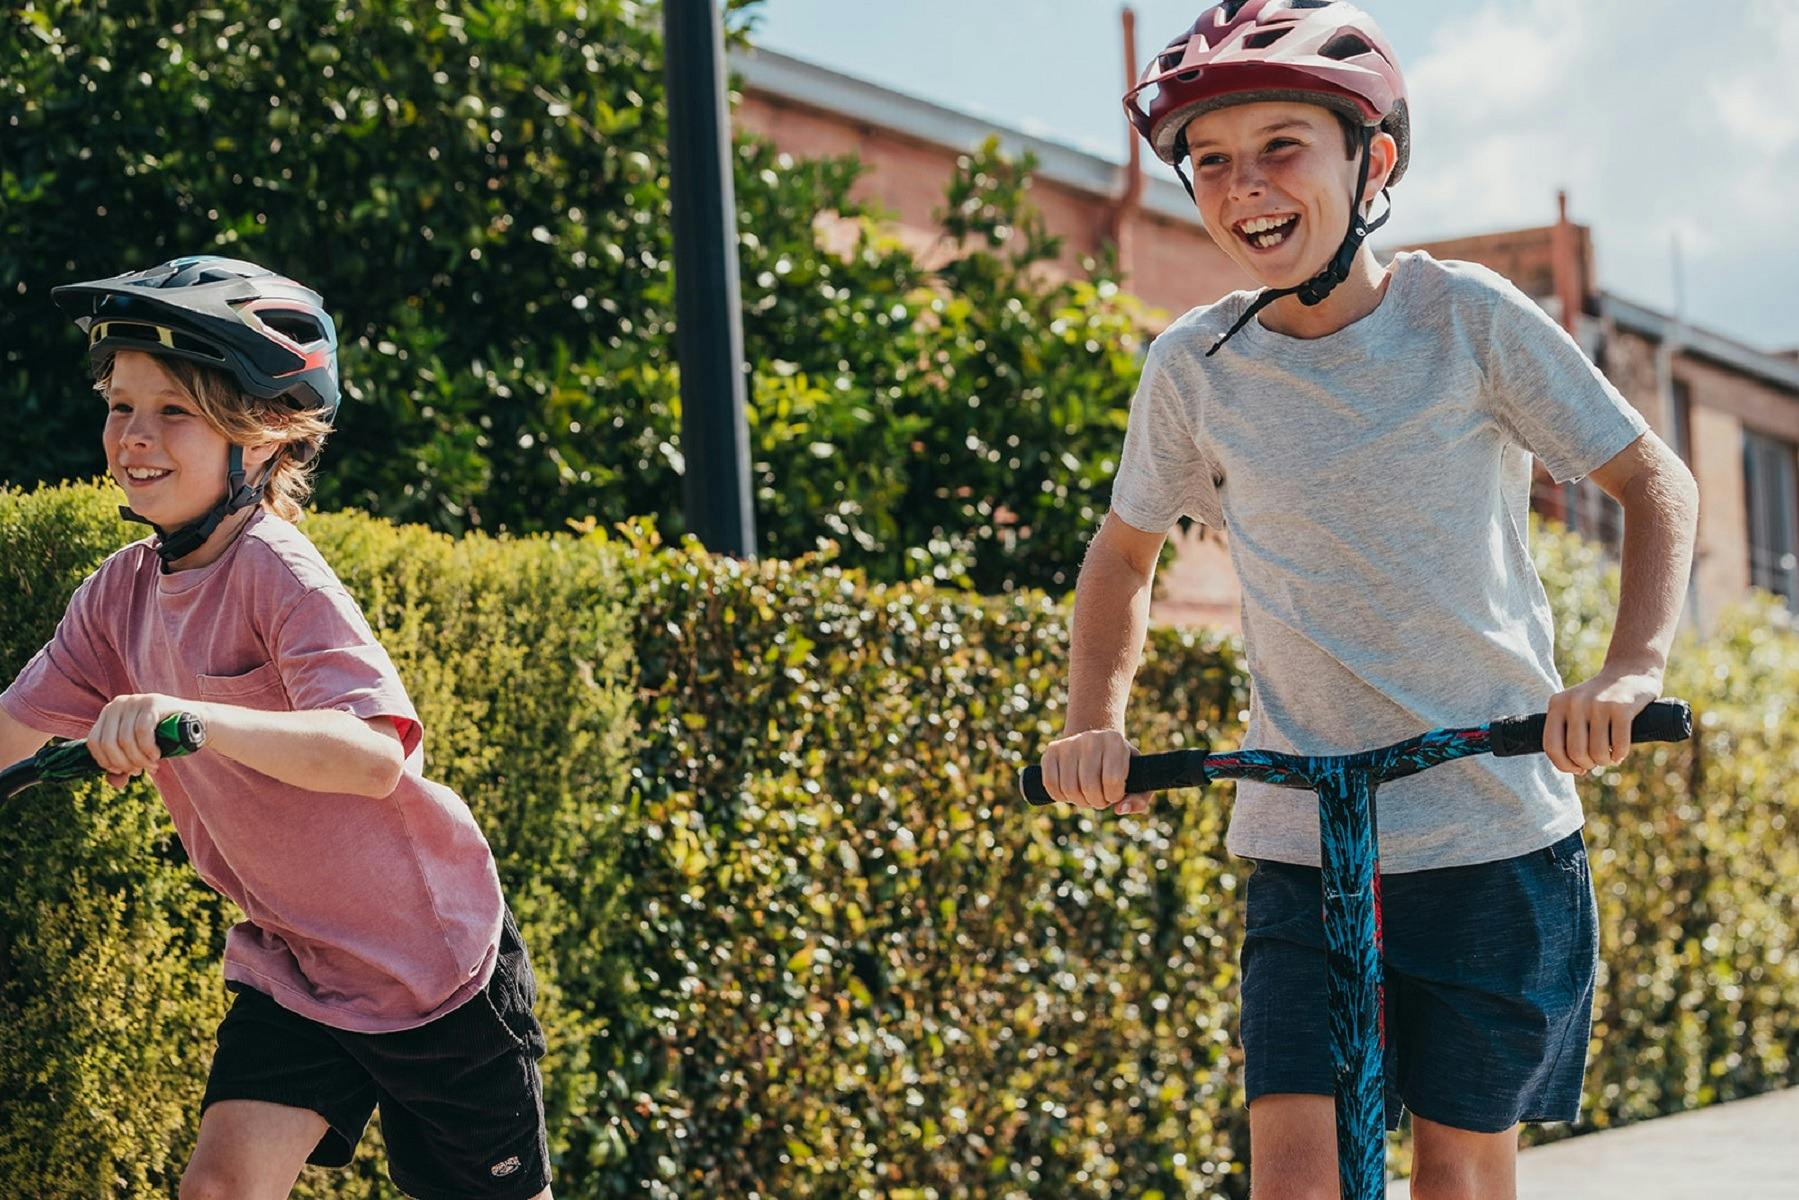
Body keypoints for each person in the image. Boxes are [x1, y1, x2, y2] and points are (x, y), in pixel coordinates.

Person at [1037, 1, 1700, 1196]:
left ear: (1371, 160)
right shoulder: (1194, 367)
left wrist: (1626, 671)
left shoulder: (1466, 320)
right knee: (1292, 1177)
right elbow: (1121, 557)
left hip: (1487, 825)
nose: (1244, 187)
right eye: (1210, 163)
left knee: (1456, 1172)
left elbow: (1650, 480)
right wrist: (1095, 718)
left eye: (1280, 146)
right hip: (1303, 839)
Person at [0, 256, 552, 1200]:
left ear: (257, 440)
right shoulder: (118, 596)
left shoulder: (277, 571)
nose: (133, 436)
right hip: (297, 962)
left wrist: (190, 717)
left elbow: (373, 756)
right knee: (222, 1188)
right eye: (119, 404)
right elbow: (11, 732)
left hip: (430, 965)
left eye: (173, 410)